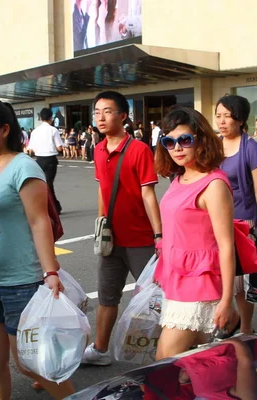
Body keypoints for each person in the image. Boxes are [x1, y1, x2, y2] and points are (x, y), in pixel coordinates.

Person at [0, 100, 75, 399]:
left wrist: (50, 271)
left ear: (3, 130)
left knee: (29, 365)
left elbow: (40, 222)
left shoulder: (24, 167)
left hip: (22, 282)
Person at [84, 90, 162, 366]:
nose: (100, 117)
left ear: (123, 116)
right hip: (111, 240)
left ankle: (164, 348)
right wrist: (100, 224)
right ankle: (100, 350)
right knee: (107, 296)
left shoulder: (139, 150)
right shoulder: (98, 149)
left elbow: (148, 194)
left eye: (107, 111)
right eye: (97, 112)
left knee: (154, 299)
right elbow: (103, 190)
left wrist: (158, 235)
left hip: (140, 239)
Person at [154, 107, 237, 359]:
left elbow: (226, 246)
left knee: (164, 361)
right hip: (176, 279)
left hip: (200, 285)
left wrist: (226, 300)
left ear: (201, 140)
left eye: (185, 140)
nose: (177, 148)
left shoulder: (213, 184)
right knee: (196, 362)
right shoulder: (180, 178)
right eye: (169, 142)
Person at [216, 95, 257, 335]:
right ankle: (231, 318)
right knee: (222, 276)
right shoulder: (213, 146)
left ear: (240, 119)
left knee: (242, 281)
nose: (222, 121)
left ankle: (246, 328)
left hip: (244, 222)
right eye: (218, 116)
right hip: (217, 220)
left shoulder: (251, 148)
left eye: (227, 116)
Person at [27, 108, 63, 214]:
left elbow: (31, 149)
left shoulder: (35, 131)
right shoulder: (53, 130)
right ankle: (55, 207)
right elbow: (60, 147)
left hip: (39, 160)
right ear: (51, 118)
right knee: (49, 184)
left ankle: (49, 206)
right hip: (51, 159)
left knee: (42, 184)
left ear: (40, 118)